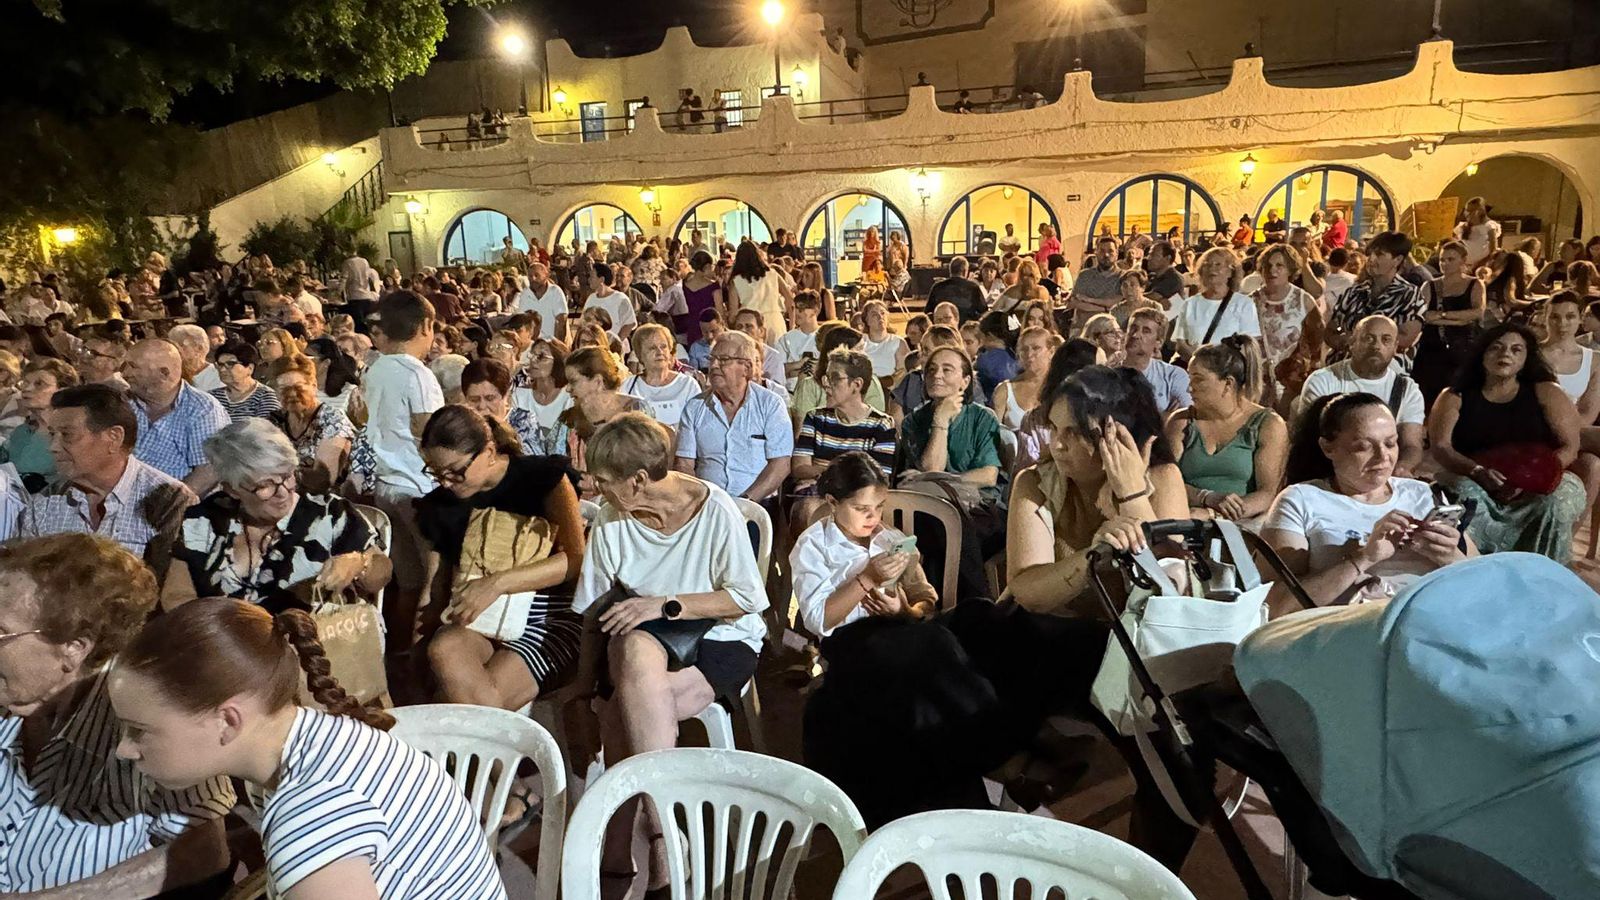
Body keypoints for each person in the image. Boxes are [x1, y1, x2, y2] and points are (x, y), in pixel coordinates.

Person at [110, 598, 506, 898]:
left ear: (227, 721)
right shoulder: (321, 736)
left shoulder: (307, 811)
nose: (124, 750)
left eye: (139, 731)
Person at [1002, 365, 1196, 867]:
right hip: (1051, 646)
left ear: (1116, 436)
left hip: (1133, 652)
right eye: (1055, 429)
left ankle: (1146, 878)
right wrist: (1092, 555)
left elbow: (1167, 597)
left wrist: (1133, 500)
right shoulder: (1036, 483)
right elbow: (1029, 590)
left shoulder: (1161, 478)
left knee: (1185, 756)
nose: (1057, 444)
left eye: (1075, 433)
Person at [571, 413, 768, 896]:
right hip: (646, 641)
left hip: (723, 637)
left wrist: (664, 604)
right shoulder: (615, 520)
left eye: (604, 481)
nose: (595, 489)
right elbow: (594, 609)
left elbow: (745, 599)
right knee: (634, 649)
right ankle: (664, 835)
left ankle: (625, 842)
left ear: (638, 480)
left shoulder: (715, 509)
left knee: (624, 711)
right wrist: (579, 692)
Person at [0, 535, 236, 897]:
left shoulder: (153, 716)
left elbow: (205, 851)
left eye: (2, 632)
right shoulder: (14, 697)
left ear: (74, 649)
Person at [796, 452, 988, 827]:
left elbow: (925, 600)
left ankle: (953, 810)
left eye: (879, 507)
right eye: (862, 508)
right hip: (850, 642)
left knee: (939, 646)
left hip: (901, 631)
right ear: (834, 503)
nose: (873, 518)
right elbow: (818, 618)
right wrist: (866, 578)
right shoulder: (813, 546)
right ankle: (995, 762)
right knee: (933, 650)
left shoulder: (890, 539)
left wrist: (903, 609)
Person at [417, 405, 583, 710]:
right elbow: (435, 587)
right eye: (436, 472)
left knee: (459, 703)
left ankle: (470, 744)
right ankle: (490, 747)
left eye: (455, 471)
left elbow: (575, 559)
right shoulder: (442, 505)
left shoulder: (541, 479)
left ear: (489, 451)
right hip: (477, 617)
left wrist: (497, 584)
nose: (446, 482)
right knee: (443, 648)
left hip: (547, 616)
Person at [1264, 393, 1471, 609]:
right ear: (1328, 448)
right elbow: (1276, 606)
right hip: (1349, 626)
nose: (1383, 457)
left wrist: (1451, 557)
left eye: (1390, 444)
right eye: (1364, 447)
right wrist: (1364, 558)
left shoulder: (1422, 494)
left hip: (1431, 615)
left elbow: (1485, 575)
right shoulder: (1300, 500)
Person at [162, 419, 389, 612]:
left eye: (287, 475)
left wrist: (360, 563)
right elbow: (176, 596)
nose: (283, 492)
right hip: (226, 648)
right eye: (265, 485)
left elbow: (382, 570)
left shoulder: (330, 514)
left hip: (310, 650)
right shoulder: (204, 519)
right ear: (232, 489)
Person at [1427, 322, 1586, 560]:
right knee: (1463, 493)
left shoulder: (1546, 391)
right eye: (1496, 348)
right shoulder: (1453, 396)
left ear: (1526, 358)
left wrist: (1531, 477)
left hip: (1542, 478)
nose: (1505, 354)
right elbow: (1441, 447)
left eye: (1516, 350)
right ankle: (1476, 569)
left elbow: (1570, 447)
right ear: (1482, 354)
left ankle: (1541, 574)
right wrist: (1477, 471)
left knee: (1555, 501)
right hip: (1474, 476)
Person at [21, 384, 191, 559]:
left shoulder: (170, 500)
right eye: (51, 435)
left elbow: (171, 580)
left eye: (67, 434)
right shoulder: (45, 503)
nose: (53, 447)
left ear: (114, 437)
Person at [363, 290, 445, 650]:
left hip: (385, 483)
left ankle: (397, 651)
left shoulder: (376, 368)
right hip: (417, 485)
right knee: (433, 577)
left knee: (406, 580)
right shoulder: (417, 373)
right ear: (426, 326)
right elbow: (426, 429)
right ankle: (420, 653)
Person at [897, 346, 1003, 598]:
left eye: (947, 369)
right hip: (929, 509)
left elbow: (988, 475)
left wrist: (943, 480)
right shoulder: (915, 421)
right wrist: (940, 422)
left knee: (944, 527)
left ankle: (950, 608)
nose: (937, 376)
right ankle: (971, 606)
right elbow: (932, 466)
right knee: (935, 525)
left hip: (978, 508)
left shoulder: (982, 417)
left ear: (965, 381)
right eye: (931, 369)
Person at [1165, 337, 1287, 522]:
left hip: (1245, 523)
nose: (1189, 388)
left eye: (1198, 380)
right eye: (1189, 378)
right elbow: (1164, 480)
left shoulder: (1268, 424)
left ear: (1228, 383)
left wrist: (1214, 516)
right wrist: (1206, 497)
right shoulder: (1181, 422)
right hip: (1186, 517)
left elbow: (1267, 494)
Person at [1295, 315, 1426, 476]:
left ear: (1395, 347)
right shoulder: (1323, 380)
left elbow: (1411, 445)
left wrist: (1402, 468)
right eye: (1368, 339)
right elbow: (1310, 440)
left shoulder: (1407, 390)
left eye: (1386, 340)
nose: (1376, 346)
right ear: (1352, 343)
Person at [676, 331, 793, 502]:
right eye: (712, 359)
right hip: (708, 505)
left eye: (723, 360)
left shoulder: (771, 405)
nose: (714, 365)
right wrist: (700, 502)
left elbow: (780, 465)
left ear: (746, 368)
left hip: (758, 504)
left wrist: (746, 503)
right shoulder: (695, 407)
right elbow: (684, 465)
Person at [791, 349, 896, 524]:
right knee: (806, 509)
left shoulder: (881, 424)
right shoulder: (816, 418)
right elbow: (800, 468)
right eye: (826, 377)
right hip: (819, 496)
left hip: (861, 499)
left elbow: (877, 479)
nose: (826, 384)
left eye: (835, 378)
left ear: (857, 384)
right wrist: (851, 473)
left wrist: (824, 470)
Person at [124, 340, 231, 494]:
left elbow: (208, 472)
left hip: (174, 506)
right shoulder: (124, 403)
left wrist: (168, 506)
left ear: (164, 373)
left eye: (133, 367)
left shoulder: (202, 409)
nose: (125, 373)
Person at [1327, 231, 1423, 364]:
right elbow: (1331, 329)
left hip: (1385, 371)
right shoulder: (1354, 292)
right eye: (1369, 254)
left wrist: (1359, 340)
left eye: (1379, 254)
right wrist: (1339, 341)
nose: (1371, 259)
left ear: (1398, 260)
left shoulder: (1409, 295)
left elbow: (1405, 339)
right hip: (1344, 367)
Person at [1412, 238, 1487, 405]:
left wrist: (1443, 316)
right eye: (1442, 260)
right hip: (1432, 349)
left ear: (1463, 260)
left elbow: (1476, 313)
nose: (1445, 264)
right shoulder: (1430, 285)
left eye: (1450, 259)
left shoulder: (1474, 284)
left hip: (1464, 348)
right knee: (1427, 397)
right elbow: (1424, 315)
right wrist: (1457, 319)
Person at [271, 355, 355, 492]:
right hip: (281, 493)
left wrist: (271, 474)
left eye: (298, 387)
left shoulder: (333, 420)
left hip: (322, 500)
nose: (292, 394)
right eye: (284, 389)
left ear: (314, 385)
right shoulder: (274, 420)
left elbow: (323, 479)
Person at [0, 357, 79, 487]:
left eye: (39, 384)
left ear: (62, 391)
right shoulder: (20, 432)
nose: (27, 389)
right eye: (25, 383)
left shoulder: (70, 436)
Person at [1171, 247, 1261, 360]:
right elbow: (1180, 343)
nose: (1212, 268)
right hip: (1196, 369)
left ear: (1230, 271)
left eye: (1218, 264)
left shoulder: (1244, 304)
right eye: (1207, 265)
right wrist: (1200, 363)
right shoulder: (1190, 304)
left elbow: (1250, 343)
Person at [1253, 243, 1323, 382]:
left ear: (1290, 269)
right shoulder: (1250, 301)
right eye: (1268, 265)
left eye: (1279, 265)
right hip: (1257, 378)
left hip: (1291, 380)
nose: (1272, 270)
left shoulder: (1303, 300)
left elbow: (1317, 338)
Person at [623, 324, 701, 430]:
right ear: (639, 354)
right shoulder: (629, 386)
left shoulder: (688, 385)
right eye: (652, 348)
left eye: (663, 346)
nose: (659, 352)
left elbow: (698, 425)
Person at [1122, 306, 1192, 415]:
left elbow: (1188, 418)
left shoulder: (1173, 376)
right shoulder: (1108, 371)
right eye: (1133, 328)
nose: (1135, 335)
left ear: (1158, 342)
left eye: (1146, 331)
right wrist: (1163, 419)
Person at [511, 338, 574, 456]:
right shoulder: (520, 395)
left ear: (558, 361)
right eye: (532, 355)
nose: (533, 360)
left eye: (541, 356)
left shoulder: (570, 398)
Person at [992, 326, 1058, 435]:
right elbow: (993, 436)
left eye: (1036, 348)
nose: (1029, 354)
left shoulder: (1061, 388)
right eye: (1024, 349)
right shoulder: (1004, 391)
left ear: (1051, 351)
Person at [727, 242, 790, 345]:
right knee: (778, 358)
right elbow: (790, 299)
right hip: (776, 321)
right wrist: (791, 324)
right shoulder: (772, 273)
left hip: (751, 325)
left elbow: (733, 314)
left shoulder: (736, 281)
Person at [208, 340, 281, 422]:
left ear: (250, 368)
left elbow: (266, 431)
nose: (222, 369)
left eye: (230, 364)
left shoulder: (265, 397)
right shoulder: (211, 398)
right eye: (220, 365)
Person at [776, 292, 821, 390]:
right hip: (791, 391)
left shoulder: (825, 337)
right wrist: (798, 364)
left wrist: (793, 372)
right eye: (794, 308)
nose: (796, 312)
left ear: (815, 310)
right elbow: (777, 370)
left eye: (802, 308)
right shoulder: (786, 339)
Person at [858, 299, 908, 382]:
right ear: (867, 321)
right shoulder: (860, 341)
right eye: (874, 315)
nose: (880, 317)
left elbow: (902, 371)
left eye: (883, 313)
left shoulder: (898, 342)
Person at [516, 262, 568, 340]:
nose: (533, 279)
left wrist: (557, 345)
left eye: (537, 275)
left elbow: (561, 320)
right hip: (531, 344)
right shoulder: (525, 294)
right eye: (530, 276)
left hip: (551, 342)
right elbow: (521, 321)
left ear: (546, 276)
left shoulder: (555, 291)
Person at [926, 256, 985, 322]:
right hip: (965, 328)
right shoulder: (973, 287)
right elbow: (984, 311)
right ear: (965, 271)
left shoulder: (937, 287)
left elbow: (928, 312)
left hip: (942, 328)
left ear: (950, 270)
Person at [1454, 196, 1502, 270]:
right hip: (1462, 266)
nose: (1468, 214)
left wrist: (1478, 265)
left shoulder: (1489, 226)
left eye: (1472, 211)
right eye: (1467, 210)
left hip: (1480, 267)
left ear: (1480, 211)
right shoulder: (1462, 227)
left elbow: (1493, 251)